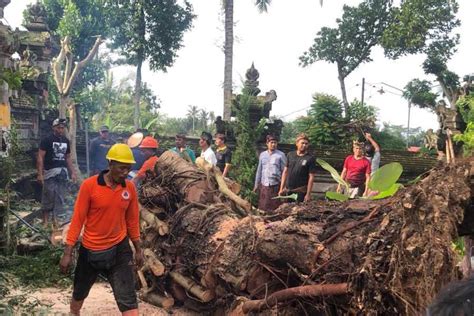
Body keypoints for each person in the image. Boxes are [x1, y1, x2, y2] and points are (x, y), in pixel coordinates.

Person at [60, 144, 143, 316]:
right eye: (121, 167)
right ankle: (74, 313)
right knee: (79, 293)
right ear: (110, 164)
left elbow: (133, 221)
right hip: (90, 250)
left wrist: (138, 249)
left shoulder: (129, 189)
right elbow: (77, 220)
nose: (125, 172)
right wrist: (67, 252)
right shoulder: (89, 186)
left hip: (119, 249)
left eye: (128, 168)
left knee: (128, 300)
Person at [37, 118, 77, 226]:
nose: (61, 130)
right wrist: (40, 174)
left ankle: (55, 220)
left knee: (59, 197)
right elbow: (40, 156)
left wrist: (73, 172)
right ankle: (45, 222)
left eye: (63, 128)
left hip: (62, 172)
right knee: (48, 195)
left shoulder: (65, 141)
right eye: (59, 127)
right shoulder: (47, 140)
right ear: (53, 128)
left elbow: (68, 158)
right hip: (50, 172)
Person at [278, 133, 316, 202]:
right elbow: (285, 172)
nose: (304, 145)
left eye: (306, 144)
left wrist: (308, 194)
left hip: (301, 192)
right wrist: (281, 188)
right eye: (302, 143)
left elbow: (311, 177)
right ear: (297, 143)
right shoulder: (290, 155)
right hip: (288, 191)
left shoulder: (310, 158)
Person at [254, 135, 287, 211]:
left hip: (275, 185)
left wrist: (284, 186)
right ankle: (262, 221)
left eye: (275, 143)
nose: (273, 144)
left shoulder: (281, 155)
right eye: (271, 142)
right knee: (263, 206)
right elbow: (259, 170)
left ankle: (274, 221)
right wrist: (256, 184)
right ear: (267, 143)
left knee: (275, 206)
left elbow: (284, 172)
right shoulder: (262, 155)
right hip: (264, 185)